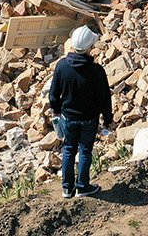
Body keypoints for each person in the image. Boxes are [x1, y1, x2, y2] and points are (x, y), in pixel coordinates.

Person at [49, 25, 113, 199]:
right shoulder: (97, 71)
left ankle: (67, 188)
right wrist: (108, 119)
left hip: (67, 117)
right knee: (85, 151)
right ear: (89, 47)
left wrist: (55, 110)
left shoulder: (62, 66)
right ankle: (82, 187)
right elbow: (105, 98)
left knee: (69, 149)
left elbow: (54, 93)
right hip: (89, 119)